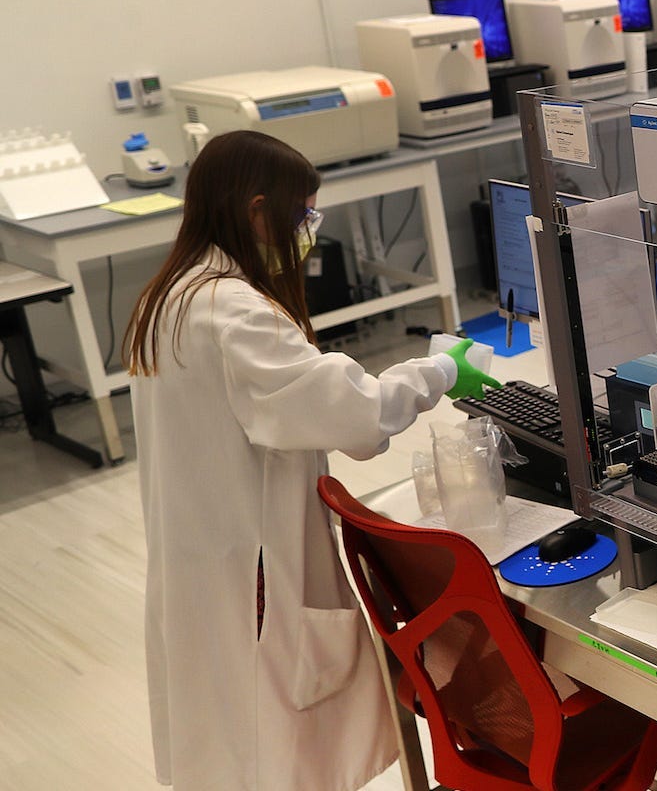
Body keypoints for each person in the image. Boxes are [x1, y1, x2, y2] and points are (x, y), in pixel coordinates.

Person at [128, 130, 499, 790]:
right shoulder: (232, 316)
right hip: (251, 575)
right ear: (255, 210)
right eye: (302, 215)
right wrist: (442, 369)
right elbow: (352, 412)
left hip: (201, 560)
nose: (306, 233)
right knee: (268, 748)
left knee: (229, 745)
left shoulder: (171, 296)